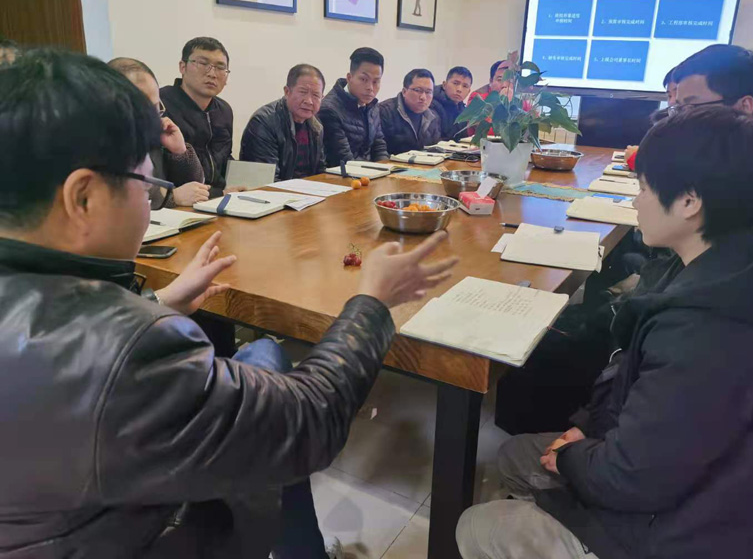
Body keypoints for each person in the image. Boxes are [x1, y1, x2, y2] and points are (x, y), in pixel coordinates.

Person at [0, 49, 458, 558]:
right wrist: (372, 301)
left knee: (264, 353)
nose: (148, 201)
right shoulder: (129, 349)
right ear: (83, 198)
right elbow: (311, 421)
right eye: (146, 183)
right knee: (273, 398)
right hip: (153, 538)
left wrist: (159, 300)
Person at [457, 105, 753, 559]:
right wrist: (588, 428)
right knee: (514, 457)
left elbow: (633, 477)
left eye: (643, 188)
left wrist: (573, 459)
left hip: (684, 532)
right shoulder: (747, 252)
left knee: (475, 527)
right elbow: (640, 389)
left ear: (689, 202)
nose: (636, 202)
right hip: (693, 482)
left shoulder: (710, 330)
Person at [673, 43, 753, 233]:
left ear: (744, 106)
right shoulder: (722, 160)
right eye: (679, 109)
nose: (680, 120)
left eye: (693, 107)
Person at [109, 57, 210, 207]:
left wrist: (180, 152)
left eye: (155, 106)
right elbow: (116, 193)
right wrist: (172, 197)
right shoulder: (95, 142)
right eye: (142, 109)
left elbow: (195, 187)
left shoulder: (157, 132)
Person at [160, 37, 243, 198]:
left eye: (220, 67)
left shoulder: (224, 110)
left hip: (220, 198)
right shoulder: (161, 105)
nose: (212, 74)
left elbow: (224, 157)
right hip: (178, 200)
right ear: (182, 67)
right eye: (203, 64)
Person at [240, 64, 326, 181]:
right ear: (287, 92)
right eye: (303, 92)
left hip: (306, 190)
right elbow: (266, 181)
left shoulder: (316, 126)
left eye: (316, 95)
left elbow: (320, 170)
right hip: (274, 190)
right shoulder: (264, 122)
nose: (309, 101)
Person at [318, 47, 388, 169]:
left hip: (370, 173)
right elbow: (343, 159)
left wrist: (386, 169)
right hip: (343, 175)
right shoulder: (329, 110)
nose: (370, 88)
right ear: (349, 78)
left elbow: (379, 146)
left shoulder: (372, 105)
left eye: (376, 82)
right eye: (364, 79)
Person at [378, 68, 441, 155]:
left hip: (423, 162)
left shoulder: (433, 117)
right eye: (418, 90)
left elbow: (435, 149)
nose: (423, 97)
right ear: (404, 91)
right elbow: (379, 151)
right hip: (392, 162)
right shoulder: (384, 111)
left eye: (428, 92)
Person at [431, 66, 472, 140]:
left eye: (465, 86)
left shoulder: (462, 109)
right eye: (455, 83)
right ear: (444, 85)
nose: (459, 89)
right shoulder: (432, 105)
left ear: (469, 91)